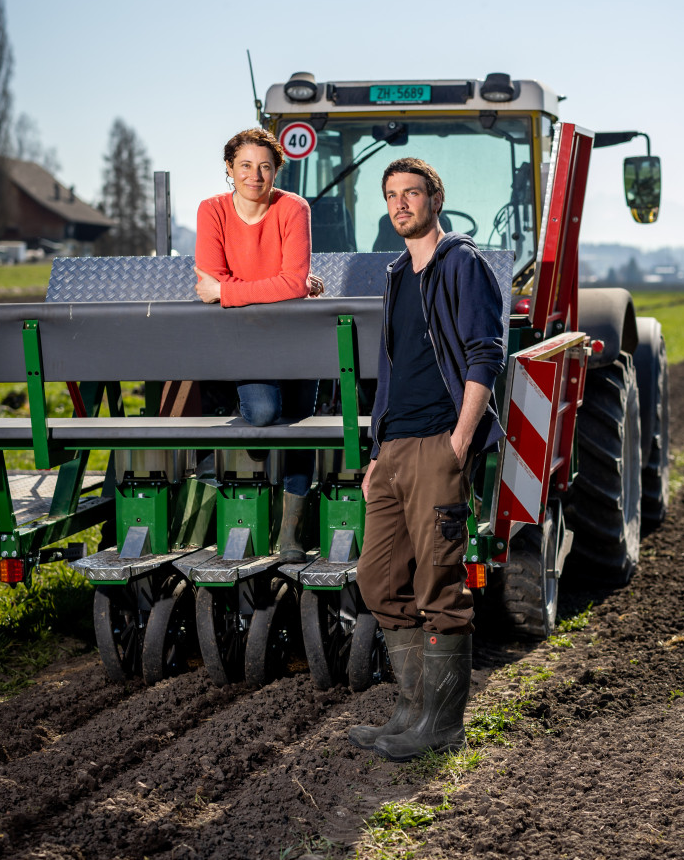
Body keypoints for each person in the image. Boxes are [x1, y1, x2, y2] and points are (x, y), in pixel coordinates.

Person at [349, 157, 505, 762]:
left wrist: (460, 441)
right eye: (391, 196)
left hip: (438, 443)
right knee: (379, 580)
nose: (400, 204)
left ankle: (441, 724)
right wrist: (375, 454)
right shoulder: (395, 274)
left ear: (435, 199)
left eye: (411, 193)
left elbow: (483, 354)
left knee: (438, 585)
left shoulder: (462, 262)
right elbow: (389, 371)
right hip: (393, 448)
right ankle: (412, 710)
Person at [195, 126, 322, 562]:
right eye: (246, 165)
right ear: (229, 169)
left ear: (276, 171)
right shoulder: (211, 211)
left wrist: (232, 292)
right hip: (245, 338)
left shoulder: (293, 208)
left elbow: (286, 281)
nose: (255, 174)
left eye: (265, 166)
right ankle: (242, 437)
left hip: (296, 336)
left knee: (303, 425)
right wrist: (287, 285)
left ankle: (291, 532)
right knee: (265, 412)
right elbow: (211, 277)